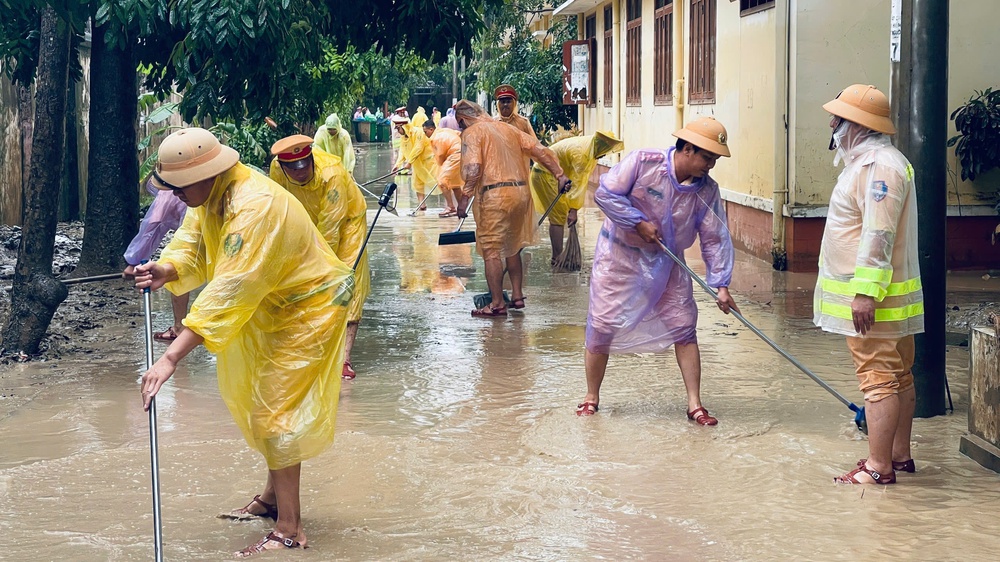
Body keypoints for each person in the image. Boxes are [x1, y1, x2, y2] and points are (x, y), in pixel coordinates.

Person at [134, 127, 354, 556]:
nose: (174, 196)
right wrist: (167, 269)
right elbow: (194, 245)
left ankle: (290, 529)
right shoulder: (211, 196)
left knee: (276, 412)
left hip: (309, 306)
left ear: (206, 173)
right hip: (271, 304)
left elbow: (230, 287)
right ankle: (273, 500)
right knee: (264, 402)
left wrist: (171, 357)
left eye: (179, 187)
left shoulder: (254, 206)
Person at [577, 117, 739, 425]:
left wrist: (721, 286)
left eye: (715, 159)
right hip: (619, 258)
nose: (711, 165)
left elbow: (715, 238)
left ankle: (695, 404)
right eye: (707, 158)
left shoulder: (707, 192)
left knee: (684, 325)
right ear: (687, 149)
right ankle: (591, 397)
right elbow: (606, 194)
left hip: (668, 263)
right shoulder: (644, 162)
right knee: (602, 325)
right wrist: (637, 222)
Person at [815, 84, 924, 485]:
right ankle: (898, 457)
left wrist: (864, 293)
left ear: (857, 125)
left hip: (874, 300)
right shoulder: (874, 162)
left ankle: (879, 467)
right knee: (898, 375)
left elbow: (878, 233)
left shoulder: (879, 166)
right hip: (886, 298)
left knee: (878, 378)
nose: (832, 124)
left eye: (838, 118)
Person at [269, 134, 372, 380]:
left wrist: (320, 268)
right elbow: (281, 208)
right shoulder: (276, 170)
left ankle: (344, 359)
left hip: (348, 223)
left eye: (305, 163)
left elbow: (331, 227)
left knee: (347, 285)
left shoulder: (331, 173)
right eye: (293, 167)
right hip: (307, 220)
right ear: (283, 166)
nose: (301, 171)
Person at [453, 100, 568, 317]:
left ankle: (497, 303)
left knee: (492, 250)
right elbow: (539, 149)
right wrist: (560, 174)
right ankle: (517, 295)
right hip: (521, 194)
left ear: (463, 119)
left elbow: (474, 167)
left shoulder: (472, 132)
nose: (461, 128)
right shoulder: (508, 129)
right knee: (513, 246)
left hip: (494, 196)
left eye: (460, 124)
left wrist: (464, 196)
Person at [529, 131, 624, 260]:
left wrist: (572, 208)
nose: (605, 154)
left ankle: (557, 255)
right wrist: (573, 210)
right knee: (558, 216)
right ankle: (557, 258)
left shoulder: (589, 149)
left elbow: (578, 179)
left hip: (553, 175)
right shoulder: (583, 154)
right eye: (606, 150)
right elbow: (578, 183)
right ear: (601, 146)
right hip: (544, 174)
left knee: (559, 214)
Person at [123, 180, 191, 342]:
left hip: (193, 232)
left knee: (178, 267)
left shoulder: (168, 193)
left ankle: (179, 328)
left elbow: (151, 227)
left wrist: (134, 262)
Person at [392, 116, 438, 211]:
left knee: (439, 181)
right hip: (417, 163)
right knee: (418, 184)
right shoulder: (404, 137)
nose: (398, 131)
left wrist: (409, 162)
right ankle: (422, 204)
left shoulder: (418, 132)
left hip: (428, 161)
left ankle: (451, 204)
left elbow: (418, 148)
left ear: (404, 126)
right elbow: (403, 151)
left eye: (398, 128)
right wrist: (397, 164)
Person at [423, 118, 462, 217]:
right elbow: (459, 133)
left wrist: (441, 166)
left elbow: (440, 155)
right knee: (455, 184)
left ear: (431, 129)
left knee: (442, 181)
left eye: (425, 132)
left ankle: (450, 207)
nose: (425, 134)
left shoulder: (436, 138)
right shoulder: (444, 130)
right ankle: (461, 207)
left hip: (455, 155)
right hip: (461, 153)